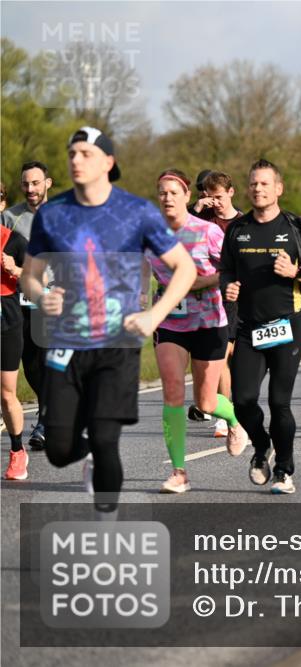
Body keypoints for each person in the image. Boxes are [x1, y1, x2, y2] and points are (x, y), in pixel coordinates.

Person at [21, 126, 196, 515]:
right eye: (72, 153)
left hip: (115, 345)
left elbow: (183, 268)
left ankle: (105, 522)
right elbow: (30, 275)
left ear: (108, 162)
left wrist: (154, 314)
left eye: (85, 153)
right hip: (65, 343)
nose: (76, 160)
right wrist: (41, 295)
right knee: (57, 447)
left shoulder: (137, 212)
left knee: (105, 437)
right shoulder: (52, 214)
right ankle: (86, 456)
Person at [218, 159, 301, 495]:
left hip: (287, 327)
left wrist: (297, 273)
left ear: (278, 188)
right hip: (249, 327)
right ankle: (261, 444)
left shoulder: (297, 228)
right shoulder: (237, 230)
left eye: (265, 183)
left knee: (279, 402)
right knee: (242, 402)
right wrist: (229, 287)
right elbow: (226, 269)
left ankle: (284, 470)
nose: (258, 189)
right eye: (253, 183)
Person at [145, 169, 249, 494]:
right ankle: (179, 472)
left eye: (173, 192)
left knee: (204, 402)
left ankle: (234, 421)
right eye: (162, 192)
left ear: (187, 196)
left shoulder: (208, 232)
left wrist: (192, 282)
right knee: (172, 393)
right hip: (170, 321)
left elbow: (231, 271)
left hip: (208, 321)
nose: (167, 197)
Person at [188, 170, 244, 437]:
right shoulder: (201, 218)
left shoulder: (243, 223)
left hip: (233, 296)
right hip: (204, 296)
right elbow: (179, 231)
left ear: (231, 193)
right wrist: (198, 208)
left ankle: (224, 406)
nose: (216, 203)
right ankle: (219, 409)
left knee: (227, 357)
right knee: (217, 357)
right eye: (210, 198)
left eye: (219, 197)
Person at [3, 162, 53, 450]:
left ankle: (46, 420)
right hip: (17, 300)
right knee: (30, 365)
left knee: (47, 360)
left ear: (48, 182)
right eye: (26, 184)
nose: (31, 189)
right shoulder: (10, 217)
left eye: (36, 183)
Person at [2, 224, 28, 479]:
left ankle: (18, 451)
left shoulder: (15, 241)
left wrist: (15, 269)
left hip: (7, 324)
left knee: (7, 394)